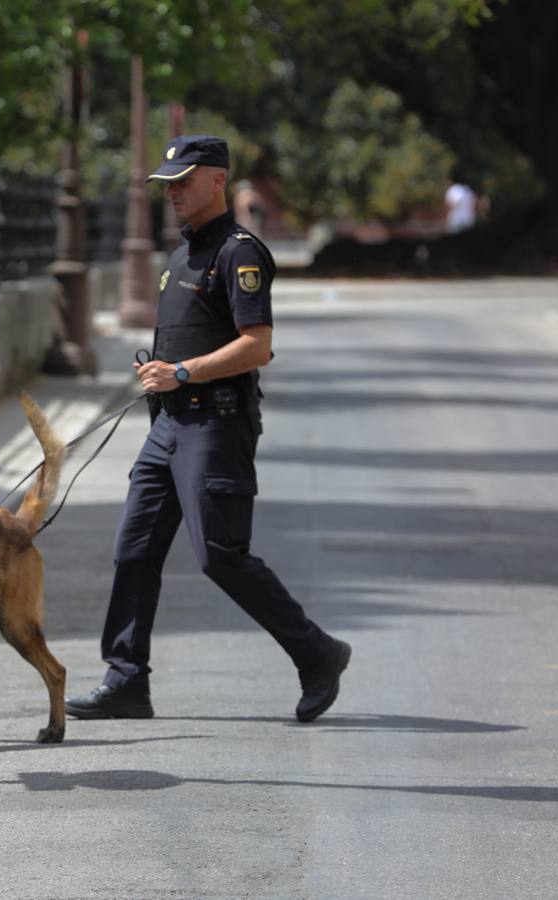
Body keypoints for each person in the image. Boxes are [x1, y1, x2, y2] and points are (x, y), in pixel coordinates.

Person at [66, 135, 350, 723]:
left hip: (215, 426)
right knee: (134, 549)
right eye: (166, 183)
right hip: (168, 426)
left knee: (221, 556)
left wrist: (182, 372)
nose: (172, 192)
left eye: (183, 181)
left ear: (217, 180)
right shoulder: (181, 255)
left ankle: (317, 653)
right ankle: (126, 679)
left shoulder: (238, 254)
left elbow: (257, 346)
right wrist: (161, 372)